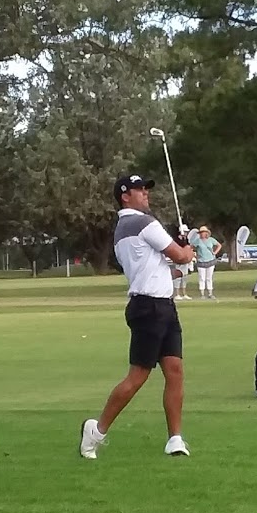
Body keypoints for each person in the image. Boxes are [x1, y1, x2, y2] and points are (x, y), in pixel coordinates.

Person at [80, 174, 197, 459]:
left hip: (162, 305)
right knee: (137, 377)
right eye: (139, 190)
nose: (145, 193)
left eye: (145, 189)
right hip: (149, 308)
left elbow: (159, 270)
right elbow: (180, 256)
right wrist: (188, 249)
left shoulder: (123, 229)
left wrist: (181, 267)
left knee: (175, 370)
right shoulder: (143, 223)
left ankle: (175, 439)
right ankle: (96, 432)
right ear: (125, 196)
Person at [191, 225, 222, 299]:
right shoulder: (197, 241)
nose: (202, 234)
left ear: (206, 233)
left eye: (203, 232)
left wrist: (215, 252)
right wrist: (195, 256)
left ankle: (210, 293)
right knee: (202, 277)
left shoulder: (211, 240)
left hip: (210, 260)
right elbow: (190, 248)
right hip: (201, 262)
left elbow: (219, 245)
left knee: (209, 277)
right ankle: (202, 294)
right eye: (201, 232)